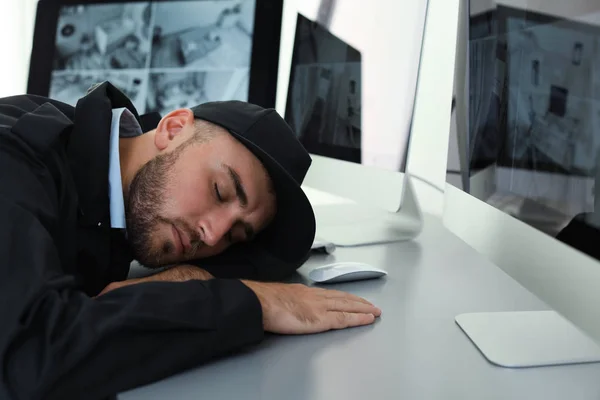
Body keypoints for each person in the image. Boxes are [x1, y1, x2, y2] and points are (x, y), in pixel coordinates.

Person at [0, 81, 381, 400]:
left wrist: (188, 276)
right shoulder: (15, 158)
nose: (213, 234)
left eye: (235, 235)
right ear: (174, 128)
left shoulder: (111, 179)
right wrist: (252, 303)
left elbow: (263, 258)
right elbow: (32, 357)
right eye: (219, 190)